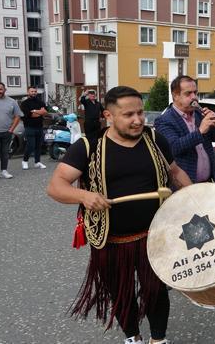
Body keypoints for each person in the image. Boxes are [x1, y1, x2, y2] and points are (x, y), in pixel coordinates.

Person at [46, 86, 192, 344]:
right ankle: (132, 337)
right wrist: (84, 196)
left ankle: (158, 340)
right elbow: (56, 187)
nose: (138, 120)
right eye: (128, 115)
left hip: (154, 235)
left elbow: (176, 172)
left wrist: (196, 198)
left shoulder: (156, 139)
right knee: (121, 294)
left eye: (140, 113)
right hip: (112, 240)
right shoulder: (88, 146)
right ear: (108, 116)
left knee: (156, 291)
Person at [155, 75, 215, 183]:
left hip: (209, 182)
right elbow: (174, 148)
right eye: (188, 93)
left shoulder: (200, 114)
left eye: (195, 93)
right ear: (175, 96)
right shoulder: (164, 120)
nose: (194, 97)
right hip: (184, 186)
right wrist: (200, 131)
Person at [20, 85, 48, 170]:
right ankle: (25, 161)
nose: (34, 93)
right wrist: (38, 112)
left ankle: (37, 162)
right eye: (32, 91)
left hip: (39, 126)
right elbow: (31, 115)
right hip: (29, 127)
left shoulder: (40, 102)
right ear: (28, 92)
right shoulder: (24, 103)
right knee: (31, 145)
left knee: (38, 146)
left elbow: (45, 112)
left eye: (35, 91)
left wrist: (35, 111)